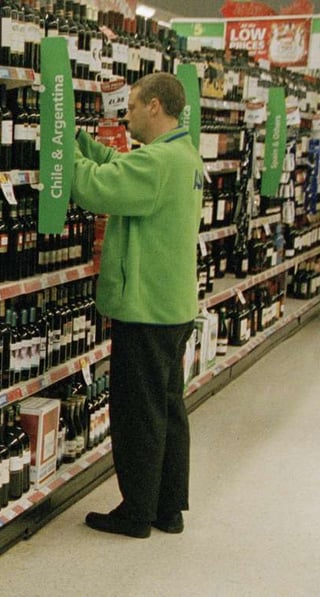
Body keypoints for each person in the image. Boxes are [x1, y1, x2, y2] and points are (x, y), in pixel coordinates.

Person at [70, 72, 203, 538]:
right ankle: (168, 508)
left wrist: (60, 151)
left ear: (154, 107)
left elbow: (95, 189)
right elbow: (119, 167)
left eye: (130, 105)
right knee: (168, 409)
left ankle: (136, 512)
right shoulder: (183, 156)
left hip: (146, 308)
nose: (125, 113)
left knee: (138, 414)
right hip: (174, 306)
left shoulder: (158, 164)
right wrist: (85, 142)